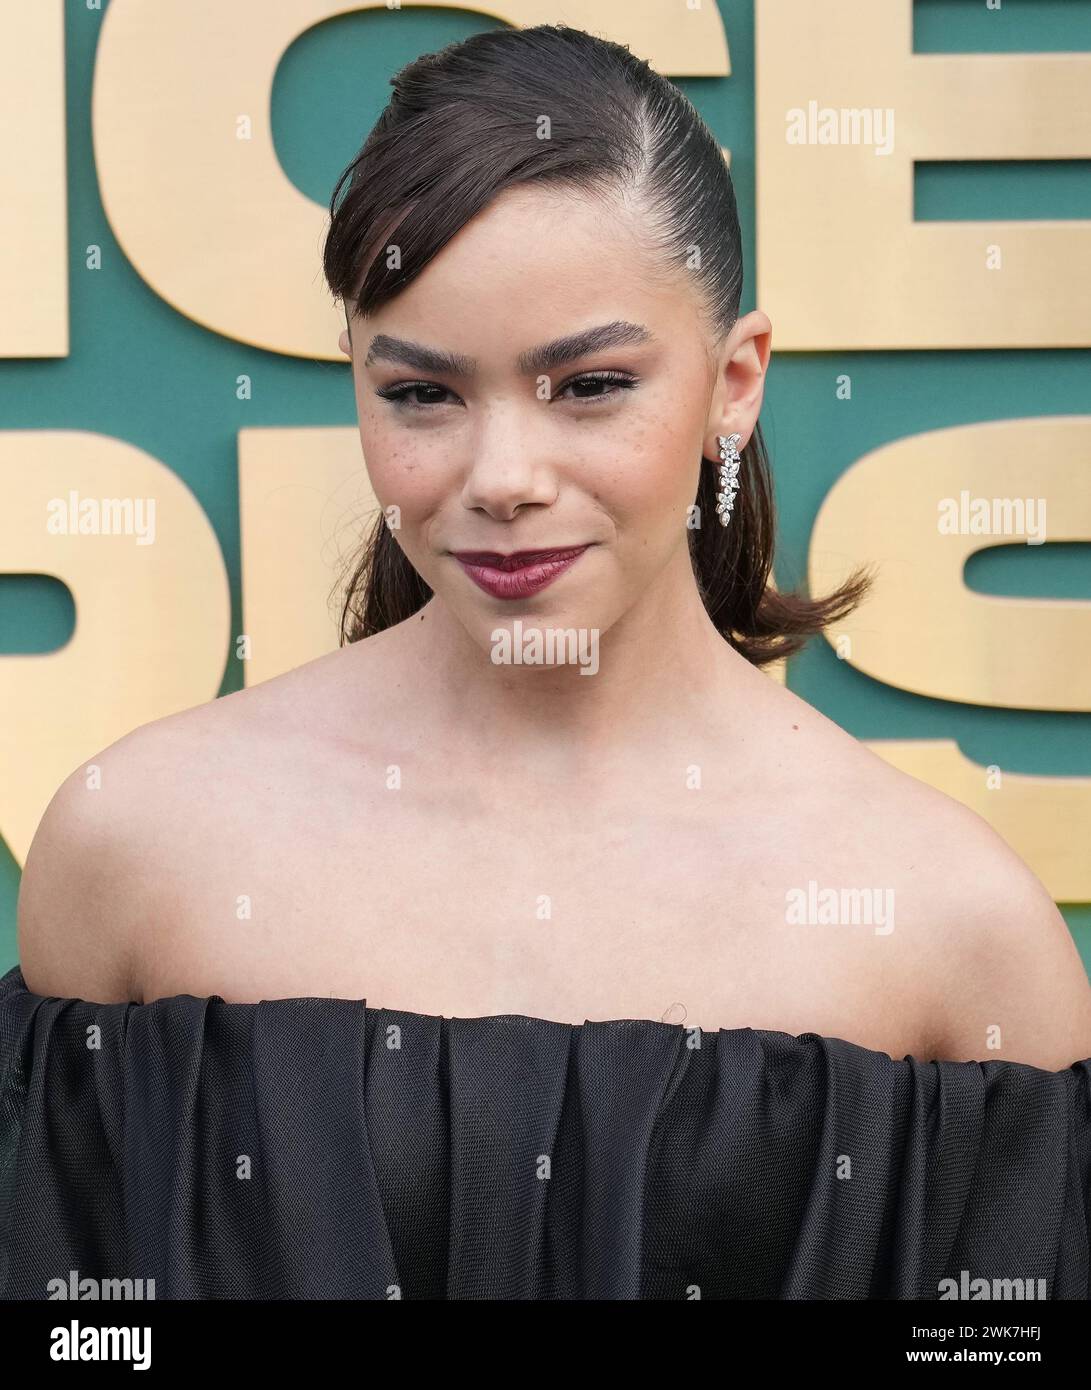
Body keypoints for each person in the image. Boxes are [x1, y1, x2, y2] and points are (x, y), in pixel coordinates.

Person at [3, 22, 1090, 1302]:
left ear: (732, 383)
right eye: (421, 395)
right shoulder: (137, 845)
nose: (500, 480)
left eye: (588, 385)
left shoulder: (955, 934)